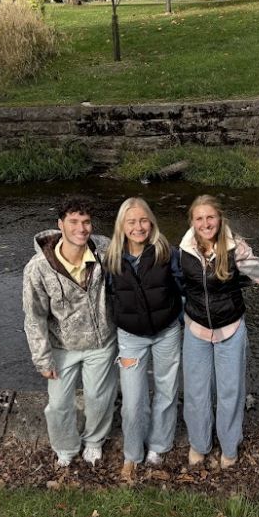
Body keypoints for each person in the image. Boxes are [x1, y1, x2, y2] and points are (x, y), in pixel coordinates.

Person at [179, 194, 259, 469]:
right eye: (199, 218)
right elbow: (175, 284)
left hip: (230, 329)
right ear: (192, 221)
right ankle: (199, 444)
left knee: (230, 391)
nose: (205, 223)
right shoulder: (183, 251)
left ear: (220, 218)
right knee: (196, 391)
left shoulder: (235, 248)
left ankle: (229, 446)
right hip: (196, 329)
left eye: (210, 217)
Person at [22, 196, 118, 467]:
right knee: (58, 404)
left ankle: (94, 440)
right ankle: (65, 446)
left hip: (101, 343)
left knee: (98, 398)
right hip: (62, 347)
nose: (81, 228)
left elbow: (137, 253)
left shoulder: (104, 251)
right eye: (73, 222)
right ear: (60, 224)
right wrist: (42, 359)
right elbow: (34, 316)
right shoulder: (38, 268)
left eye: (86, 222)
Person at [105, 197, 183, 481]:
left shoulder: (166, 252)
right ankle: (133, 453)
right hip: (130, 338)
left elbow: (182, 288)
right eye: (131, 222)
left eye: (143, 220)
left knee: (166, 390)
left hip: (166, 333)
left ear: (151, 222)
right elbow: (109, 294)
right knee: (133, 399)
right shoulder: (112, 258)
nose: (138, 227)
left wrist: (180, 319)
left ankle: (159, 445)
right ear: (122, 226)